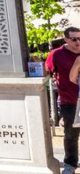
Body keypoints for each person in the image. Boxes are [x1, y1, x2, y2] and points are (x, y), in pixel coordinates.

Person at [53, 27, 80, 174]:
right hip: (70, 101)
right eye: (74, 39)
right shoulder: (57, 54)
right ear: (66, 39)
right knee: (71, 134)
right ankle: (70, 164)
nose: (78, 42)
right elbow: (45, 70)